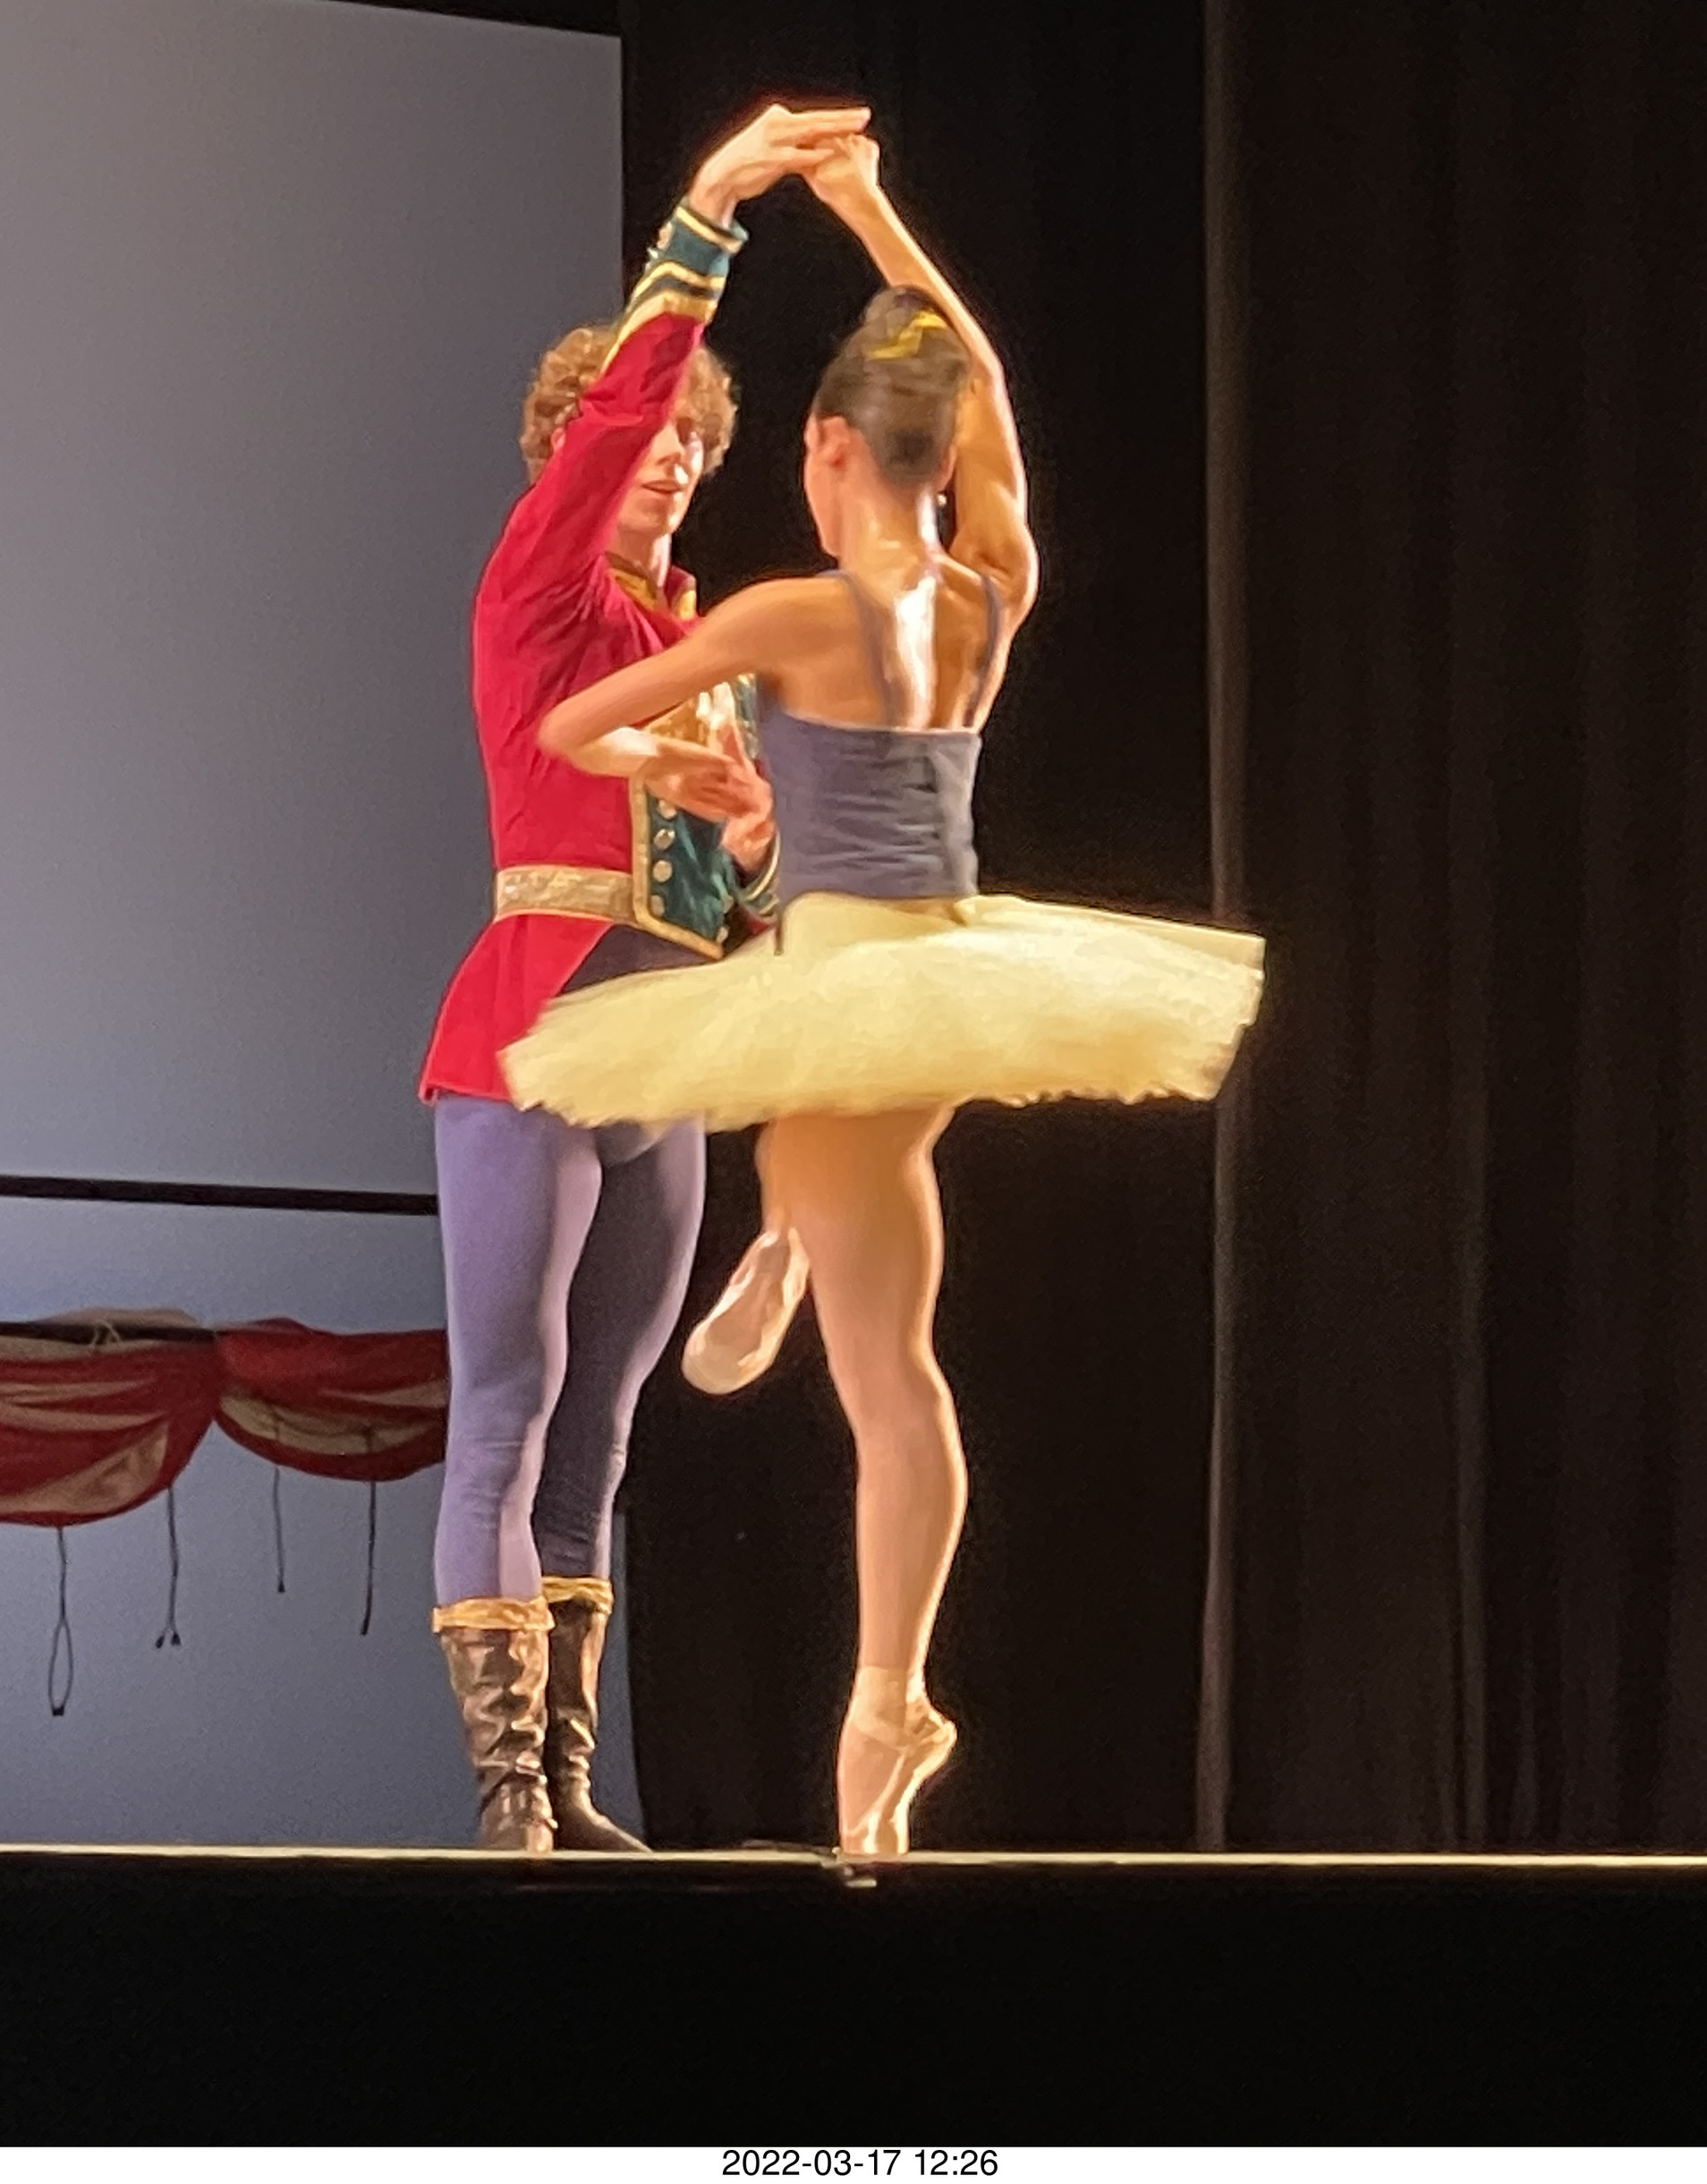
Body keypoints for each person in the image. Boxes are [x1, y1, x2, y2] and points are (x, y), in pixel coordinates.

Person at [498, 136, 1265, 1856]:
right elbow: (981, 376)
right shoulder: (994, 592)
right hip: (947, 964)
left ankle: (886, 1702)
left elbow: (566, 729)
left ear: (828, 448)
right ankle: (782, 1237)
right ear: (941, 451)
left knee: (892, 1384)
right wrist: (869, 215)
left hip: (845, 980)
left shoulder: (785, 617)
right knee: (847, 1214)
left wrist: (677, 762)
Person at [418, 101, 870, 1853]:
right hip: (535, 1035)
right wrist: (711, 212)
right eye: (649, 429)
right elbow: (619, 413)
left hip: (661, 1050)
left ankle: (569, 1785)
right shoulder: (539, 590)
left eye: (698, 439)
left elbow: (741, 899)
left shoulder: (704, 653)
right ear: (571, 448)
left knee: (601, 1438)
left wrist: (761, 848)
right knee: (507, 1413)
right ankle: (503, 1801)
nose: (672, 454)